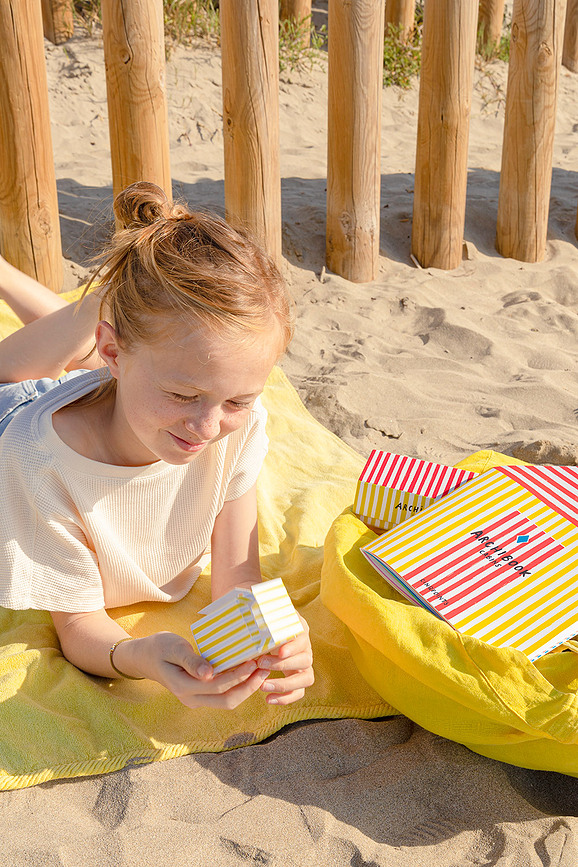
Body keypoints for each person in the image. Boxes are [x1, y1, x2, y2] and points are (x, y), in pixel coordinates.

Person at [0, 182, 313, 710]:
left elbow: (237, 576)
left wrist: (271, 644)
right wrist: (137, 656)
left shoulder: (235, 427)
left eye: (237, 400)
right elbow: (78, 624)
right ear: (114, 351)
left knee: (117, 356)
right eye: (183, 394)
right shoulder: (36, 461)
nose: (208, 428)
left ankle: (118, 299)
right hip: (16, 416)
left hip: (117, 379)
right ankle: (91, 291)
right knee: (13, 374)